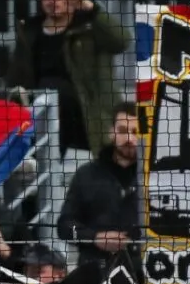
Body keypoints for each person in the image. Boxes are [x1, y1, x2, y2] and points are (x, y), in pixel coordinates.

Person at [6, 0, 129, 156]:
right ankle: (33, 159)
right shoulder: (30, 31)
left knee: (54, 90)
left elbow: (122, 41)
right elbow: (17, 77)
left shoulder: (89, 27)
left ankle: (36, 158)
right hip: (42, 115)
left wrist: (92, 9)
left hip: (87, 114)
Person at [57, 103, 140, 270]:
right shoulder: (86, 175)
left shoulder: (156, 178)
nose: (130, 139)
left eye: (135, 132)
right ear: (111, 132)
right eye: (123, 131)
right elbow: (65, 227)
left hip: (143, 274)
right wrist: (94, 238)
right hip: (95, 273)